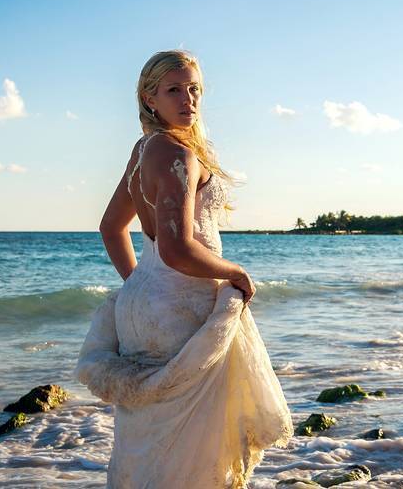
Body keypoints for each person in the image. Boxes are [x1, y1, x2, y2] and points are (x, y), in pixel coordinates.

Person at [75, 50, 292, 488]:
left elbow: (111, 228)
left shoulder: (143, 150)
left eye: (194, 89)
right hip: (181, 306)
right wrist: (236, 272)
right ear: (148, 97)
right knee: (194, 440)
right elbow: (177, 248)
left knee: (151, 431)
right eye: (174, 89)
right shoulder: (175, 152)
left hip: (143, 303)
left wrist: (141, 282)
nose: (187, 99)